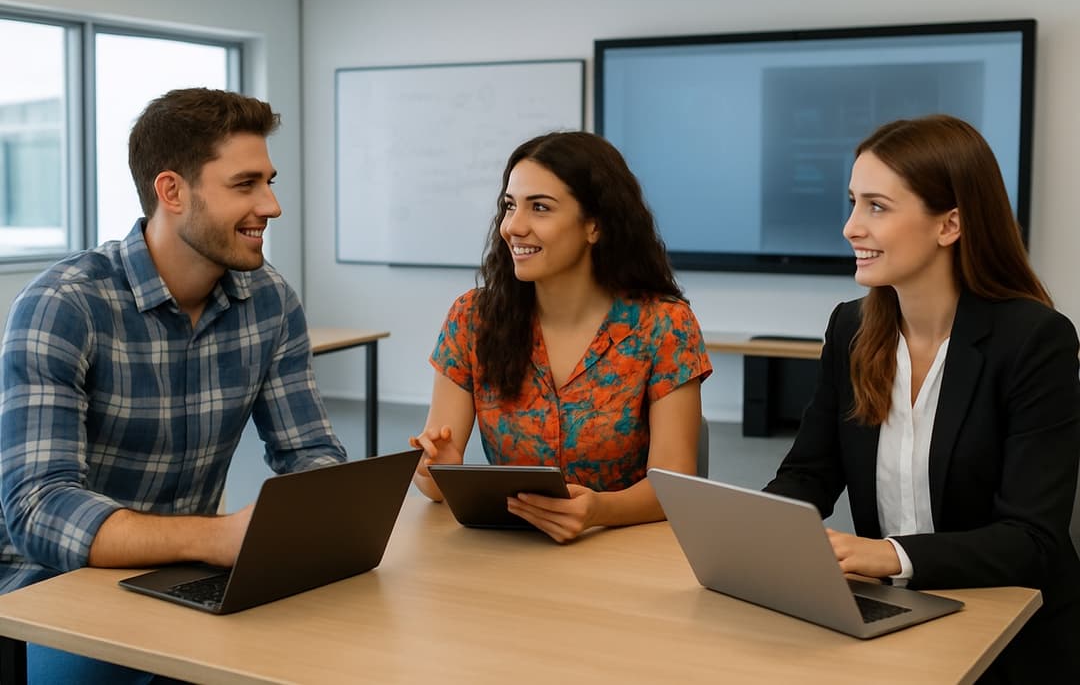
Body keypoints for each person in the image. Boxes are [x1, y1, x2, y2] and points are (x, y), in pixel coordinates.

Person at [0, 88, 347, 683]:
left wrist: (308, 519)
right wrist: (219, 540)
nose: (272, 205)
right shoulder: (65, 305)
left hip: (188, 574)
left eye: (270, 181)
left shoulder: (270, 301)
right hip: (52, 587)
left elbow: (309, 453)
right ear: (172, 191)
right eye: (246, 185)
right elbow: (37, 511)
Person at [764, 114, 1080, 683]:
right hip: (891, 620)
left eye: (876, 207)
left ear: (950, 224)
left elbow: (1031, 540)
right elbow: (809, 472)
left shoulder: (1035, 340)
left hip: (1014, 635)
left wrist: (886, 555)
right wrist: (761, 533)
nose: (850, 227)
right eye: (853, 202)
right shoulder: (851, 328)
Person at [410, 131, 712, 543]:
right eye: (509, 206)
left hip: (624, 549)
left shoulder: (664, 325)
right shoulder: (472, 319)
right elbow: (433, 481)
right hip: (510, 550)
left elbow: (674, 486)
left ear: (594, 225)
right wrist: (436, 468)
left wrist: (598, 511)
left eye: (540, 208)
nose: (513, 227)